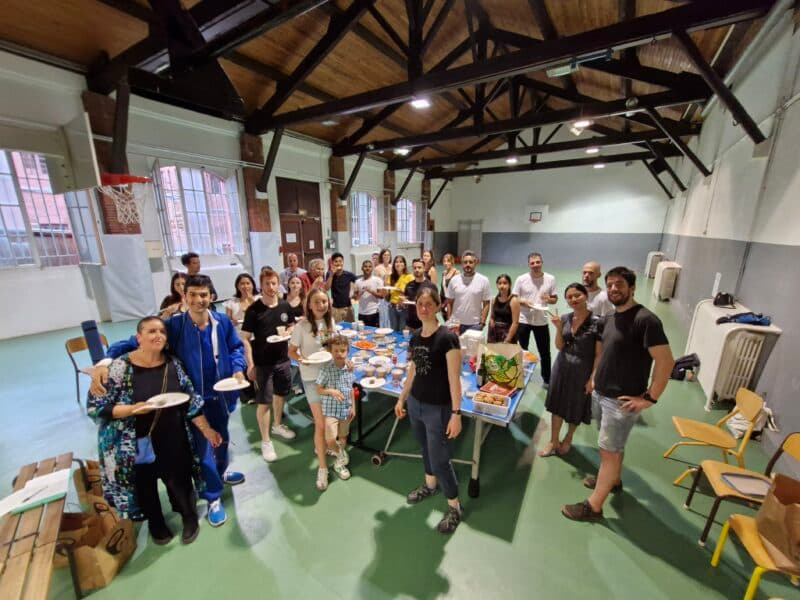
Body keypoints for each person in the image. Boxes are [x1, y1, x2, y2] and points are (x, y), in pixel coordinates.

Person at [91, 275, 246, 528]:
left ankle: (222, 471)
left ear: (212, 297)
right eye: (192, 294)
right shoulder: (174, 326)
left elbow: (236, 348)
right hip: (192, 403)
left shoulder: (222, 322)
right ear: (184, 296)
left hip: (222, 395)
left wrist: (238, 369)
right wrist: (104, 362)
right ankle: (213, 496)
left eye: (203, 295)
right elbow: (131, 343)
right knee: (203, 448)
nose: (198, 300)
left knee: (221, 438)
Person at [87, 317, 222, 545]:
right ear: (138, 338)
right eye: (151, 331)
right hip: (134, 443)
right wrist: (132, 410)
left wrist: (207, 429)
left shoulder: (173, 364)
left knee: (180, 481)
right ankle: (156, 523)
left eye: (162, 331)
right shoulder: (119, 368)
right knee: (144, 486)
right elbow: (95, 407)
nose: (158, 335)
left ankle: (189, 517)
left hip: (172, 436)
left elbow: (191, 401)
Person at [562, 267, 674, 521]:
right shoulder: (611, 317)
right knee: (613, 447)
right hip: (602, 393)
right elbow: (605, 353)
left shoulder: (646, 320)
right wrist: (594, 378)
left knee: (608, 452)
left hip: (620, 401)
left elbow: (666, 361)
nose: (614, 289)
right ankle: (613, 480)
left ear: (632, 288)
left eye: (620, 284)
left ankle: (594, 507)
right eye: (610, 284)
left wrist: (649, 398)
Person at [394, 287, 464, 534]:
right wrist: (402, 398)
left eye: (428, 304)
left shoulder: (447, 338)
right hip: (416, 404)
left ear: (438, 306)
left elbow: (454, 380)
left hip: (438, 408)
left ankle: (454, 506)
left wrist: (456, 414)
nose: (423, 308)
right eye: (420, 304)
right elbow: (413, 370)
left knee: (440, 458)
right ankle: (430, 485)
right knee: (425, 449)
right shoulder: (415, 337)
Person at [539, 283, 602, 458]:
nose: (573, 299)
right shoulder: (565, 318)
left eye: (577, 295)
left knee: (576, 405)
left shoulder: (597, 322)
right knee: (557, 404)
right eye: (569, 297)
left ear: (586, 296)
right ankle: (553, 441)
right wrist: (559, 328)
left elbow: (599, 355)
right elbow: (560, 346)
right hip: (562, 366)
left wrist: (592, 378)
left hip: (583, 369)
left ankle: (568, 437)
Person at [240, 268, 297, 463]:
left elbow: (291, 325)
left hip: (283, 360)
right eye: (267, 284)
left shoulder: (284, 305)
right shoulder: (253, 310)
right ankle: (266, 441)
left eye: (274, 283)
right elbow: (245, 338)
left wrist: (289, 331)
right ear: (261, 285)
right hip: (263, 363)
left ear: (278, 284)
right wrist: (250, 364)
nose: (271, 287)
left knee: (280, 394)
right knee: (264, 402)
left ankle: (277, 425)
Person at [288, 288, 338, 491]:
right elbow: (291, 351)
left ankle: (327, 448)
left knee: (331, 418)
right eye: (316, 302)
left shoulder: (330, 322)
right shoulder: (301, 326)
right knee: (321, 423)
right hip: (311, 379)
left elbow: (331, 346)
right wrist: (302, 360)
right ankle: (323, 468)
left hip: (330, 376)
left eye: (324, 301)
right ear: (309, 304)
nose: (321, 305)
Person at [512, 253, 557, 385]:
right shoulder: (521, 279)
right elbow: (514, 298)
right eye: (532, 263)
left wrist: (549, 299)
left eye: (538, 262)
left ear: (542, 263)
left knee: (545, 352)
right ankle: (519, 376)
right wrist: (524, 302)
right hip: (523, 320)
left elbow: (555, 299)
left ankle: (547, 379)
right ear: (529, 264)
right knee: (521, 350)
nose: (535, 265)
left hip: (541, 320)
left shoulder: (550, 279)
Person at [315, 335, 355, 481]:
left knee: (343, 436)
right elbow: (318, 389)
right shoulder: (326, 369)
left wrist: (353, 406)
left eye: (342, 351)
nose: (339, 353)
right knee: (330, 439)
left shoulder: (349, 369)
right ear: (330, 352)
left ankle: (339, 464)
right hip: (331, 411)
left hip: (345, 409)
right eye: (336, 350)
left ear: (347, 351)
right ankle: (340, 453)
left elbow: (350, 388)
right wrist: (330, 391)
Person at [444, 250, 491, 334]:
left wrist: (482, 322)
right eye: (465, 262)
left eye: (470, 262)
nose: (468, 264)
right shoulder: (454, 280)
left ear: (475, 263)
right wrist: (450, 321)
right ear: (462, 263)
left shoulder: (484, 280)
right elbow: (449, 302)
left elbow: (486, 303)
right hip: (456, 324)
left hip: (475, 324)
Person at [404, 258, 438, 330]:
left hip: (426, 325)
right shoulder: (408, 285)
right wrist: (403, 303)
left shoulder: (431, 286)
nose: (417, 270)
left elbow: (438, 305)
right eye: (415, 268)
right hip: (410, 325)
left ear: (424, 268)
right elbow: (405, 302)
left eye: (419, 267)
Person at [325, 252, 357, 322]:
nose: (338, 263)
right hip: (335, 308)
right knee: (337, 327)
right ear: (332, 263)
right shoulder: (329, 274)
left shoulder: (348, 274)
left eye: (340, 261)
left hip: (348, 307)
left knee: (350, 327)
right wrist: (331, 275)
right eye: (336, 261)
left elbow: (359, 283)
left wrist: (354, 292)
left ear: (343, 262)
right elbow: (327, 288)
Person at [488, 274, 520, 343]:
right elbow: (492, 316)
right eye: (499, 283)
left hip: (508, 334)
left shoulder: (514, 300)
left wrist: (508, 339)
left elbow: (515, 323)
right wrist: (491, 323)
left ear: (510, 285)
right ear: (497, 285)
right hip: (495, 333)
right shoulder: (494, 299)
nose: (502, 286)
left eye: (505, 283)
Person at [354, 259, 385, 327]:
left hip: (374, 312)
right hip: (361, 313)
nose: (367, 268)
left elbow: (382, 296)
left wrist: (370, 291)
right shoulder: (357, 282)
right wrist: (360, 294)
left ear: (372, 268)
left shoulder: (378, 280)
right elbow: (355, 298)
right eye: (365, 266)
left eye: (369, 266)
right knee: (362, 332)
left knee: (373, 332)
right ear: (362, 268)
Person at [388, 255, 414, 332]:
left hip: (404, 308)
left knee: (403, 330)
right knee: (393, 330)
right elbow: (389, 293)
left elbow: (412, 293)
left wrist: (401, 291)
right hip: (392, 307)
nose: (398, 264)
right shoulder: (391, 277)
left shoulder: (409, 277)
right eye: (396, 262)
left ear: (404, 264)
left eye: (401, 262)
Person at [374, 248, 393, 329]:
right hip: (382, 296)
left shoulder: (392, 267)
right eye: (385, 255)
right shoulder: (377, 268)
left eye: (388, 255)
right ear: (381, 256)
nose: (386, 256)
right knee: (383, 316)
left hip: (391, 295)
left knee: (391, 316)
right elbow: (376, 284)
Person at [439, 253, 459, 319]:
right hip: (443, 300)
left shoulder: (456, 273)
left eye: (448, 261)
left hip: (452, 302)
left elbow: (456, 290)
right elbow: (442, 288)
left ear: (452, 262)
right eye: (444, 261)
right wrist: (440, 302)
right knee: (446, 320)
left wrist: (446, 302)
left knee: (451, 320)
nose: (446, 263)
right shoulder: (444, 273)